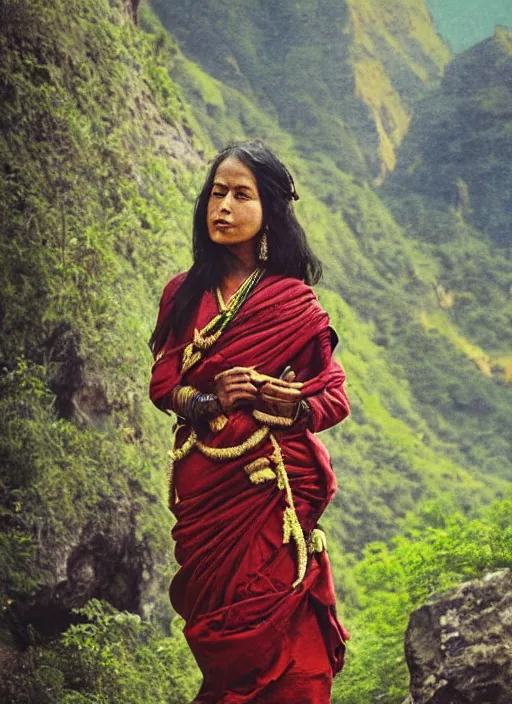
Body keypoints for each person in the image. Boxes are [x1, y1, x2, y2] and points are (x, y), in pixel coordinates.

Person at [149, 140, 350, 703]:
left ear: (269, 213)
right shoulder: (184, 295)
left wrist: (292, 406)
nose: (224, 207)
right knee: (226, 642)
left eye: (242, 195)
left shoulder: (293, 302)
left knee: (290, 645)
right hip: (209, 498)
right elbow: (163, 384)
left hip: (271, 494)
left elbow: (334, 397)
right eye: (217, 193)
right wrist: (209, 401)